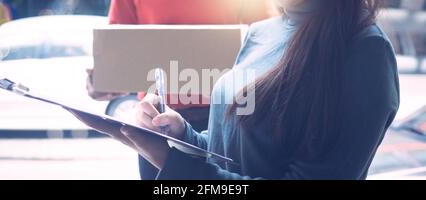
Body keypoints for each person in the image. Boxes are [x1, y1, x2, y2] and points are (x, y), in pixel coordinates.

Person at [76, 0, 400, 180]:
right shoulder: (262, 32)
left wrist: (170, 160)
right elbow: (228, 149)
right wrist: (180, 135)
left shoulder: (365, 52)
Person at [86, 0, 277, 180]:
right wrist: (102, 80)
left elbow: (269, 43)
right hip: (156, 121)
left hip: (223, 117)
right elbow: (117, 53)